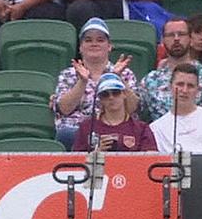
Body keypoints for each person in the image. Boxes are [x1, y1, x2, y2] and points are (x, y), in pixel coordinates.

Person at [52, 17, 139, 149]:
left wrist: (117, 78)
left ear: (109, 46)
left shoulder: (125, 73)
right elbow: (64, 109)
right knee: (67, 134)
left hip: (116, 128)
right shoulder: (68, 74)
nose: (94, 43)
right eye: (88, 40)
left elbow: (132, 108)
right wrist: (82, 82)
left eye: (100, 40)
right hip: (78, 132)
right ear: (80, 47)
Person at [139, 17, 202, 123]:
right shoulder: (151, 80)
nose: (176, 39)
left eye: (181, 34)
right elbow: (137, 115)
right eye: (170, 35)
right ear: (163, 41)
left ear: (190, 39)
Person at [149, 63, 202, 152]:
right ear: (170, 87)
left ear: (198, 90)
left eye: (190, 86)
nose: (184, 90)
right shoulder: (156, 128)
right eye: (180, 84)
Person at [72, 72, 158, 151]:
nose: (111, 97)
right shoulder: (87, 127)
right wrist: (97, 152)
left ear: (124, 94)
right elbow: (76, 162)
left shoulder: (141, 128)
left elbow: (151, 158)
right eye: (105, 94)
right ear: (100, 99)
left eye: (115, 92)